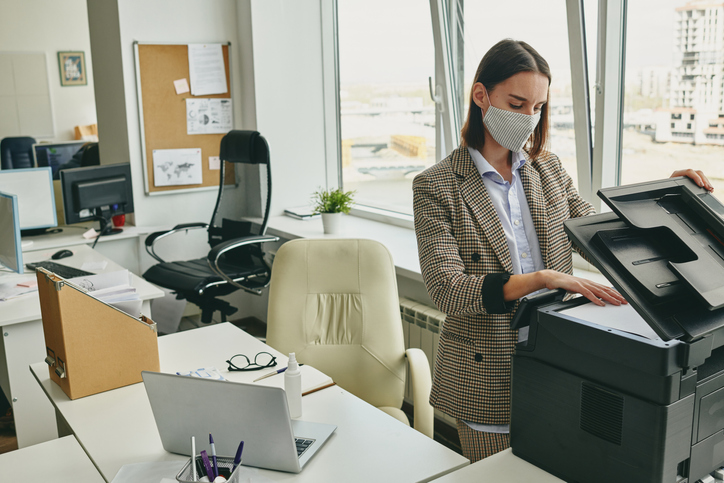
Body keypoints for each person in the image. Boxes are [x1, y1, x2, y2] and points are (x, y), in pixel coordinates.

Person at [412, 38, 712, 463]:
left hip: (557, 359)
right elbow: (447, 290)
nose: (528, 119)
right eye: (517, 104)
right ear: (482, 95)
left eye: (538, 108)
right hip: (484, 377)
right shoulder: (436, 185)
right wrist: (543, 278)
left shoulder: (547, 168)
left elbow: (601, 237)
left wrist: (667, 197)